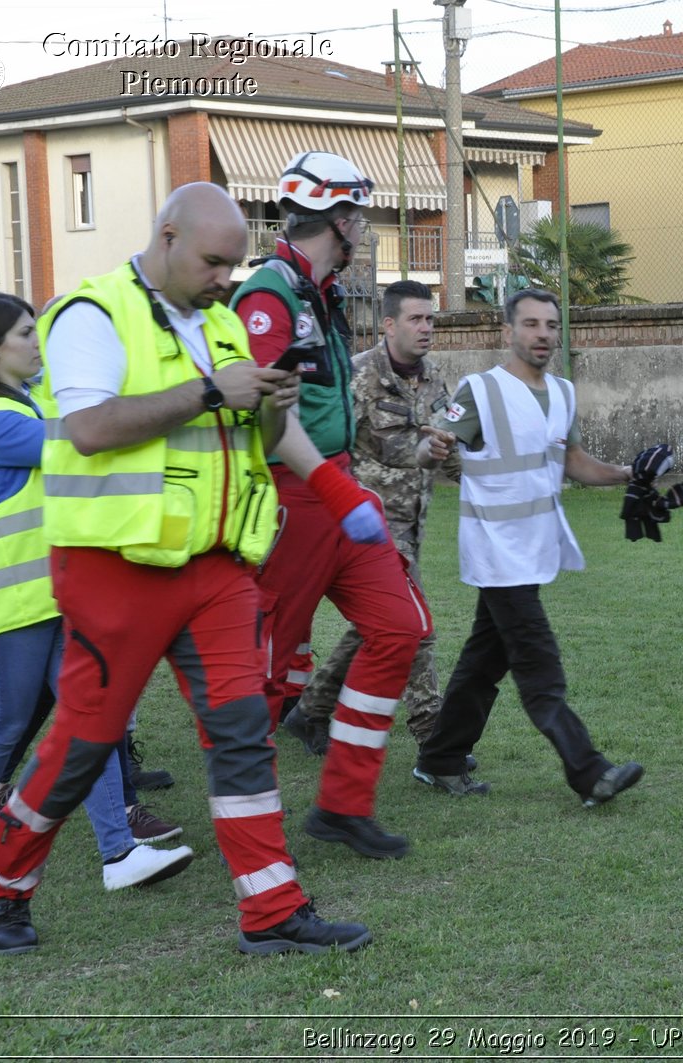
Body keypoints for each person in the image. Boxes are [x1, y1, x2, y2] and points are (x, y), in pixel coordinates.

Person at [0, 182, 370, 956]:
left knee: (242, 733)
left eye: (235, 262)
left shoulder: (220, 321)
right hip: (114, 569)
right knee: (84, 742)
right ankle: (3, 884)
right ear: (167, 238)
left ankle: (273, 910)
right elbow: (87, 429)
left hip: (216, 567)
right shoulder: (91, 312)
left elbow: (258, 433)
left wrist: (276, 407)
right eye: (215, 261)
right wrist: (208, 392)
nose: (228, 278)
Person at [0, 291, 194, 894]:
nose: (38, 342)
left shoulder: (18, 404)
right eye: (27, 333)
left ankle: (119, 853)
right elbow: (85, 442)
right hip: (11, 605)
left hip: (47, 598)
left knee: (89, 717)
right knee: (3, 724)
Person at [232, 151, 431, 862]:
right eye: (360, 215)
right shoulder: (269, 296)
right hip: (295, 501)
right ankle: (253, 827)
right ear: (339, 217)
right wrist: (339, 490)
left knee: (401, 627)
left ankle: (343, 805)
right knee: (263, 672)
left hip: (337, 492)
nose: (365, 228)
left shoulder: (324, 292)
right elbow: (262, 413)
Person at [412, 288, 643, 807]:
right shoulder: (480, 390)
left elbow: (574, 462)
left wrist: (629, 473)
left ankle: (440, 758)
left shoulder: (562, 392)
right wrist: (435, 446)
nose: (543, 334)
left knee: (483, 660)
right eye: (532, 324)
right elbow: (431, 447)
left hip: (534, 550)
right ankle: (588, 771)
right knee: (539, 663)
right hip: (496, 553)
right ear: (507, 332)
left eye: (552, 325)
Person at [286, 279, 458, 754]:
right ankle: (433, 737)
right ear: (388, 324)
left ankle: (311, 709)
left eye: (430, 319)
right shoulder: (357, 376)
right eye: (416, 319)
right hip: (368, 527)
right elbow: (327, 446)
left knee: (377, 626)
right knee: (416, 628)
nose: (426, 328)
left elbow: (444, 443)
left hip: (414, 522)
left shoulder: (435, 377)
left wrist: (479, 481)